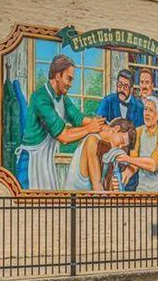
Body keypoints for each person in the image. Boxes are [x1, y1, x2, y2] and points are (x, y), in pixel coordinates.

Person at [16, 54, 105, 190]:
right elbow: (64, 137)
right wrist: (90, 128)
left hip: (45, 162)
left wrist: (102, 125)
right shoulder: (41, 98)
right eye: (68, 79)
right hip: (30, 163)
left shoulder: (62, 97)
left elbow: (78, 118)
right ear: (58, 76)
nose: (70, 84)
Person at [63, 118, 136, 192]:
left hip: (91, 200)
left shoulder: (110, 149)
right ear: (116, 129)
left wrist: (114, 188)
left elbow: (106, 188)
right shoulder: (92, 141)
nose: (120, 147)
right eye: (121, 141)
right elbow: (97, 187)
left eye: (123, 146)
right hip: (74, 200)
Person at [117, 96, 158, 192]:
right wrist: (124, 175)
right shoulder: (138, 131)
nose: (147, 114)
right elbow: (134, 165)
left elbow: (153, 165)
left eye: (151, 110)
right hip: (141, 188)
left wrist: (127, 159)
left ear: (157, 115)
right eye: (145, 109)